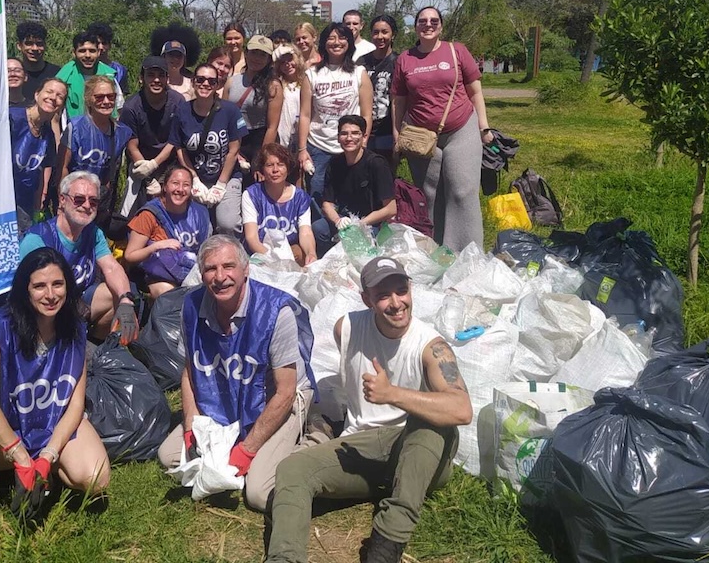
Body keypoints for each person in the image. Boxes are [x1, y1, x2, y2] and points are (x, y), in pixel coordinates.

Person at [266, 257, 471, 563]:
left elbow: (462, 409)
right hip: (360, 448)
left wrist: (393, 395)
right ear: (367, 300)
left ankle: (387, 544)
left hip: (415, 451)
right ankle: (284, 558)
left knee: (432, 425)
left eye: (401, 291)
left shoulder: (431, 346)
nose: (396, 303)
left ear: (411, 290)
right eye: (383, 295)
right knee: (291, 469)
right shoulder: (346, 329)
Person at [0, 247, 111, 557]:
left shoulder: (75, 328)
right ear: (25, 290)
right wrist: (20, 455)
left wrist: (48, 455)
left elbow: (76, 405)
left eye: (58, 284)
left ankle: (47, 473)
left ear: (68, 285)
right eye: (39, 286)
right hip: (4, 432)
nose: (50, 295)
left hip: (49, 425)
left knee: (97, 479)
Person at [157, 235, 316, 512]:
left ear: (246, 270)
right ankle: (244, 449)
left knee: (257, 492)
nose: (220, 277)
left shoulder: (276, 313)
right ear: (202, 273)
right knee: (171, 455)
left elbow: (285, 391)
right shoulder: (191, 306)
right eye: (210, 269)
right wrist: (190, 428)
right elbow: (189, 371)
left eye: (229, 267)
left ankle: (315, 436)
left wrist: (246, 450)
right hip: (227, 393)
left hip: (277, 401)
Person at [392, 6, 493, 251]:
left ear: (441, 26)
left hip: (461, 127)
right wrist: (397, 134)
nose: (428, 24)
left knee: (462, 190)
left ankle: (467, 253)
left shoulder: (456, 51)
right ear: (415, 26)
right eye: (422, 21)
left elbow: (475, 91)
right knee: (431, 195)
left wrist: (484, 126)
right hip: (421, 135)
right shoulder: (405, 59)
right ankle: (437, 250)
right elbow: (398, 100)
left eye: (434, 21)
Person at [20, 171, 139, 344]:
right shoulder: (38, 240)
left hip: (78, 301)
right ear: (62, 200)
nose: (86, 205)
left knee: (116, 292)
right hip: (44, 309)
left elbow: (111, 267)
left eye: (93, 201)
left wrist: (126, 300)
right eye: (79, 199)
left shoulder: (93, 232)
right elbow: (32, 295)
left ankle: (94, 343)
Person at [296, 23, 372, 204]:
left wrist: (363, 144)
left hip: (351, 147)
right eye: (331, 38)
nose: (336, 42)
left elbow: (367, 114)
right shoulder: (312, 74)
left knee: (351, 196)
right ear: (323, 43)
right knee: (317, 194)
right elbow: (305, 114)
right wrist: (302, 149)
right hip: (318, 146)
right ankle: (319, 231)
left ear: (349, 43)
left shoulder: (359, 73)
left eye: (342, 38)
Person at [173, 63, 248, 236]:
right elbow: (180, 148)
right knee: (201, 229)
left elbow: (234, 150)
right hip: (196, 177)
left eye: (211, 81)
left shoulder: (230, 110)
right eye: (200, 79)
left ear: (217, 85)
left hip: (226, 176)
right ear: (193, 82)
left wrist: (221, 185)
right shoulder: (182, 111)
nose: (205, 84)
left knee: (228, 224)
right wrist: (194, 179)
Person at [123, 164, 212, 298]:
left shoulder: (201, 213)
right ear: (165, 187)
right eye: (175, 183)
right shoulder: (149, 214)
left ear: (191, 189)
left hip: (192, 272)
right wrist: (157, 246)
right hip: (157, 276)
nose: (180, 189)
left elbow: (206, 250)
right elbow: (130, 256)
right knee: (170, 295)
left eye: (186, 185)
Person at [313, 116, 396, 257]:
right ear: (338, 138)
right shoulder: (335, 163)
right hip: (344, 220)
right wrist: (337, 220)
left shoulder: (376, 164)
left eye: (355, 133)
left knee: (361, 243)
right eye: (344, 133)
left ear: (364, 137)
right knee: (318, 228)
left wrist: (361, 224)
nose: (349, 138)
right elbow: (327, 204)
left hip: (371, 223)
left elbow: (390, 209)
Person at [60, 76, 133, 231]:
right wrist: (62, 202)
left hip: (99, 204)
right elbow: (62, 167)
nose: (106, 101)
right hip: (74, 199)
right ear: (88, 99)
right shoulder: (75, 127)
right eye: (99, 97)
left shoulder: (122, 132)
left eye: (110, 96)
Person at [120, 57, 186, 215]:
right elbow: (132, 145)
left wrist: (155, 164)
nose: (156, 80)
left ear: (167, 78)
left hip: (169, 161)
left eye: (161, 75)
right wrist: (148, 175)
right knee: (133, 212)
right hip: (140, 163)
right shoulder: (131, 106)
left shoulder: (178, 101)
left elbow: (175, 140)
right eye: (151, 75)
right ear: (141, 78)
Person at [241, 144, 316, 266]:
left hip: (290, 252)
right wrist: (274, 260)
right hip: (260, 253)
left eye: (281, 165)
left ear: (288, 168)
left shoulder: (300, 197)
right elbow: (251, 238)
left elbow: (306, 232)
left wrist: (311, 253)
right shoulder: (251, 195)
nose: (275, 170)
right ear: (262, 169)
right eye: (269, 165)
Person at [10, 78, 68, 233]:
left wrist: (39, 204)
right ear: (37, 94)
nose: (53, 98)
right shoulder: (12, 119)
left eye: (59, 96)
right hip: (1, 198)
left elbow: (43, 169)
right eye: (49, 92)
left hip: (25, 203)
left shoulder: (47, 133)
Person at [223, 34, 276, 178]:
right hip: (232, 139)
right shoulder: (232, 82)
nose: (257, 58)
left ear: (269, 59)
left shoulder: (273, 86)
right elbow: (223, 117)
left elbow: (272, 127)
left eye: (262, 55)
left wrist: (261, 158)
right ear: (246, 53)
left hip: (257, 142)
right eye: (253, 53)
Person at [358, 14, 399, 162]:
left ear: (393, 35)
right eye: (376, 32)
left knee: (384, 173)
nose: (380, 36)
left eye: (385, 32)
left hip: (386, 131)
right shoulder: (361, 62)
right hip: (362, 129)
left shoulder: (398, 62)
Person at [56, 31, 123, 118]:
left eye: (92, 51)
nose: (87, 55)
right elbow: (55, 114)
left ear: (98, 52)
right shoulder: (64, 77)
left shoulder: (109, 75)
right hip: (74, 130)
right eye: (82, 51)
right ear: (74, 52)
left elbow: (119, 108)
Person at [265, 44, 304, 151]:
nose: (287, 64)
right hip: (282, 139)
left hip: (303, 139)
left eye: (290, 59)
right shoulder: (277, 84)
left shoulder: (307, 81)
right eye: (282, 62)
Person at [151, 25, 202, 101]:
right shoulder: (155, 81)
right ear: (163, 56)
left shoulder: (192, 84)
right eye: (171, 55)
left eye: (179, 55)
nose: (175, 59)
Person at [16, 21, 60, 100]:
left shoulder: (57, 74)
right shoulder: (13, 75)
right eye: (29, 43)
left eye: (39, 44)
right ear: (19, 46)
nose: (34, 48)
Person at [85, 21, 128, 93]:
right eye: (97, 43)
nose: (101, 47)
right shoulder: (81, 68)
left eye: (104, 43)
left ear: (110, 45)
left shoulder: (120, 71)